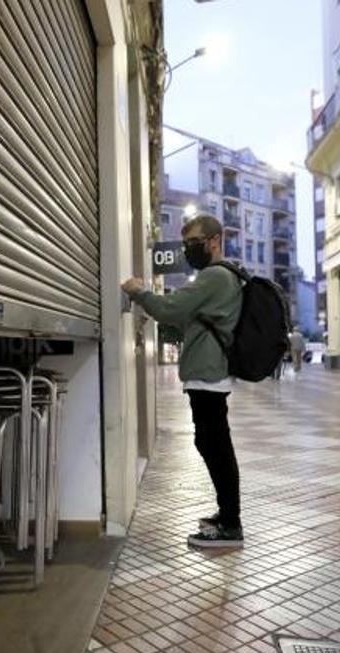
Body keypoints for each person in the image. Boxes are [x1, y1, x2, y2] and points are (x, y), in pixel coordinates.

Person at [121, 215, 244, 548]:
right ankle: (227, 514)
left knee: (216, 446)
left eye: (194, 243)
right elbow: (188, 319)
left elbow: (169, 308)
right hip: (208, 372)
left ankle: (231, 525)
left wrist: (138, 291)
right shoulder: (224, 276)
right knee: (212, 444)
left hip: (208, 374)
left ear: (215, 241)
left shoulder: (215, 276)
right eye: (186, 243)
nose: (188, 249)